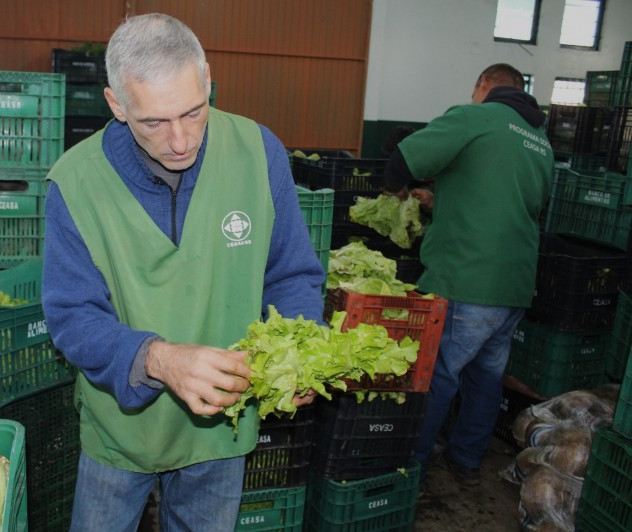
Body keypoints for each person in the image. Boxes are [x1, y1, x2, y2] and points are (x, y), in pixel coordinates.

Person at [41, 13, 325, 531]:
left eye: (194, 113)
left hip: (222, 427)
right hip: (120, 431)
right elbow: (72, 316)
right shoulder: (75, 183)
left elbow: (290, 273)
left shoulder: (258, 153)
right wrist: (159, 358)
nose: (179, 140)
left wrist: (302, 348)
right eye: (154, 121)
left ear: (208, 81)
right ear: (116, 105)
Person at [382, 63, 554, 486]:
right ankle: (466, 461)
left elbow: (404, 158)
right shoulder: (541, 143)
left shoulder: (475, 116)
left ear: (483, 86)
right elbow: (505, 205)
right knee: (485, 378)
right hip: (514, 286)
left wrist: (394, 190)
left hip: (467, 279)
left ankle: (413, 466)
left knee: (438, 375)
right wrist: (438, 201)